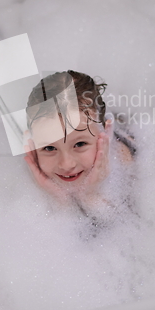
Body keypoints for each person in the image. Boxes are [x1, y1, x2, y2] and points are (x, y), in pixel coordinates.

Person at [24, 70, 136, 214]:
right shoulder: (27, 173)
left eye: (80, 144)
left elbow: (136, 227)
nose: (66, 164)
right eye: (50, 148)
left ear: (104, 134)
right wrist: (61, 201)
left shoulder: (125, 160)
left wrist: (92, 196)